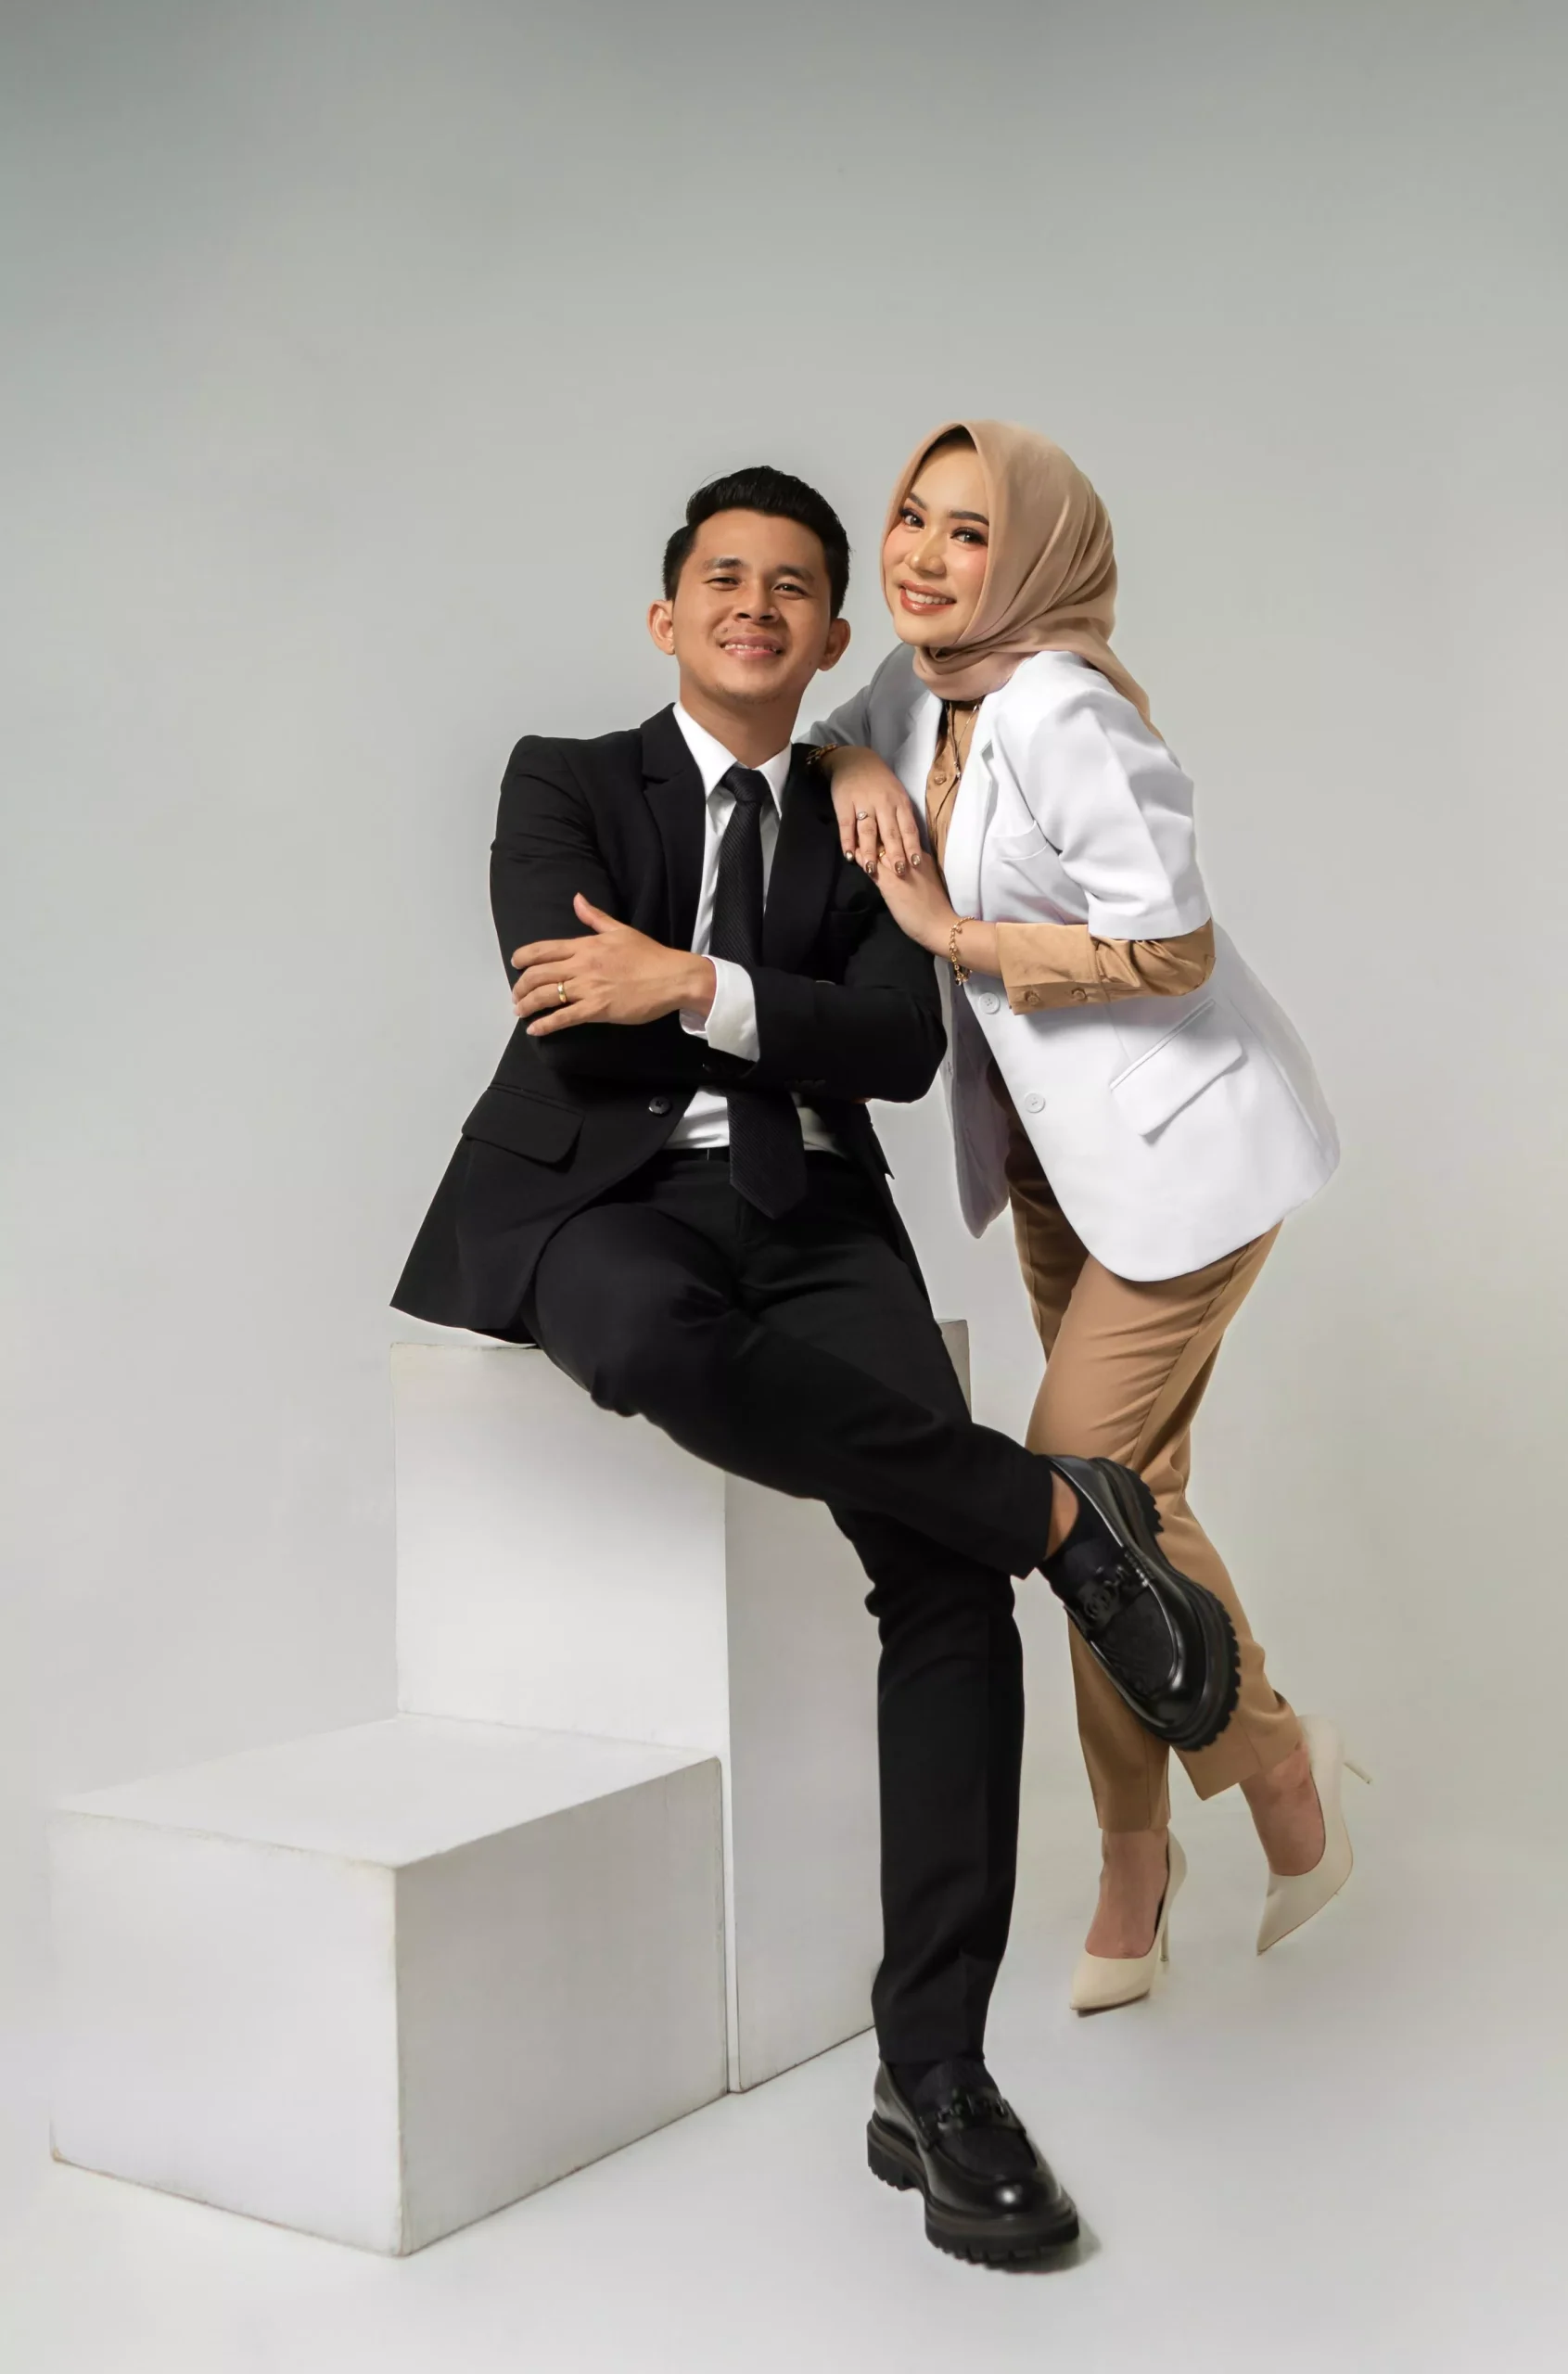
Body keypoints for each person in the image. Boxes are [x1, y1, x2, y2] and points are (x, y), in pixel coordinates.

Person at [392, 463, 1242, 2262]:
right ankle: (1053, 1513)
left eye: (792, 586)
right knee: (644, 1334)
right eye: (724, 577)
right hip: (600, 1199)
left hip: (814, 1212)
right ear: (667, 614)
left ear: (831, 632)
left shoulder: (863, 819)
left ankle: (932, 2070)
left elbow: (893, 1050)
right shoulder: (563, 779)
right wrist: (743, 1003)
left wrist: (688, 983)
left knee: (940, 1581)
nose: (755, 605)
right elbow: (563, 998)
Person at [814, 422, 1361, 2015]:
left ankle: (1265, 1767)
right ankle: (1148, 1845)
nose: (921, 557)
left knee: (1066, 1491)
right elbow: (831, 738)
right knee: (1124, 1498)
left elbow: (1169, 947)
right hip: (1062, 1167)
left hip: (1186, 1157)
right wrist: (851, 764)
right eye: (910, 517)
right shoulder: (920, 681)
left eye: (968, 533)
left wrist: (951, 935)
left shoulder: (1061, 710)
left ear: (1036, 558)